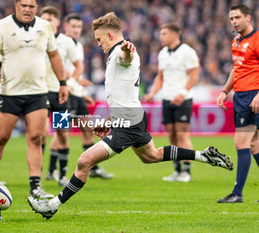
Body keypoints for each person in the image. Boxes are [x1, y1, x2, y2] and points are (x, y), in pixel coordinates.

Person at [27, 12, 233, 219]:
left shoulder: (120, 52)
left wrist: (127, 50)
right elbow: (120, 93)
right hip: (131, 116)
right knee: (151, 156)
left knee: (84, 161)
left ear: (109, 36)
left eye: (99, 39)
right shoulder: (114, 53)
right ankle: (203, 155)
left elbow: (127, 57)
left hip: (127, 123)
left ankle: (52, 205)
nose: (98, 44)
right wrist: (109, 121)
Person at [0, 0, 68, 199]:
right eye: (23, 5)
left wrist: (62, 82)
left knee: (36, 138)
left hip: (37, 92)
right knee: (0, 139)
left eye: (31, 6)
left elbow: (54, 55)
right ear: (16, 5)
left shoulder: (45, 27)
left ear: (36, 7)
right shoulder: (1, 26)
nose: (27, 9)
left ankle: (35, 186)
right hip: (9, 93)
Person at [145, 23, 199, 182]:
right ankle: (176, 169)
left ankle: (187, 171)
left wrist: (182, 93)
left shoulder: (187, 52)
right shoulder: (162, 53)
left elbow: (194, 75)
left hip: (183, 99)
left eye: (164, 33)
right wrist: (153, 92)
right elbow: (160, 77)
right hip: (167, 98)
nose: (161, 37)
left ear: (175, 34)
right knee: (172, 136)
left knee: (182, 135)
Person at [217, 4, 259, 203]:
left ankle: (237, 193)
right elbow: (237, 68)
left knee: (240, 142)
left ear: (248, 17)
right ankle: (237, 193)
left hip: (253, 95)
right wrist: (225, 91)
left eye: (237, 17)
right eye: (231, 18)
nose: (234, 21)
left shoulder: (257, 39)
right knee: (254, 145)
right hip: (241, 96)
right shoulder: (235, 41)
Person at [64, 13, 114, 180]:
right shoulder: (60, 43)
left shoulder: (78, 44)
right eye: (73, 26)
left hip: (77, 94)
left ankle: (92, 167)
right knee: (61, 133)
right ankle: (55, 172)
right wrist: (74, 81)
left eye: (79, 27)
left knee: (87, 129)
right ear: (66, 27)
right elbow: (56, 67)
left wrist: (83, 92)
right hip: (65, 94)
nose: (76, 30)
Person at [39, 6, 84, 186]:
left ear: (57, 22)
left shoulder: (66, 41)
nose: (47, 23)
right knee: (40, 134)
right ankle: (38, 175)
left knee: (62, 133)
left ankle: (63, 175)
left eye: (50, 19)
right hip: (40, 93)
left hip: (59, 94)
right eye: (44, 19)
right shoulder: (35, 39)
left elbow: (78, 65)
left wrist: (70, 83)